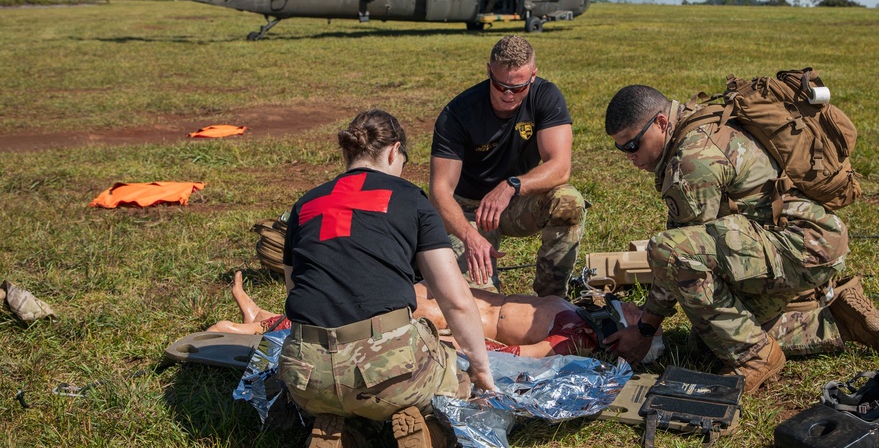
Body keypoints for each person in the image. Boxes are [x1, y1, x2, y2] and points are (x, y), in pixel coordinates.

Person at [602, 85, 879, 393]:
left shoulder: (692, 160)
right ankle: (836, 322)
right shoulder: (701, 121)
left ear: (660, 122)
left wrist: (645, 329)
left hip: (800, 249)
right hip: (804, 240)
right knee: (707, 343)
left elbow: (677, 255)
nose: (630, 157)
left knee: (668, 252)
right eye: (620, 149)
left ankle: (757, 357)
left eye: (632, 145)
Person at [277, 110, 495, 448]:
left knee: (338, 391)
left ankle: (340, 430)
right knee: (456, 378)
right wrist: (480, 371)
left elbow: (296, 297)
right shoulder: (411, 199)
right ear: (394, 151)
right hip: (389, 376)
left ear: (347, 152)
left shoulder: (304, 205)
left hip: (306, 377)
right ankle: (432, 433)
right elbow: (455, 300)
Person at [430, 35, 586, 298]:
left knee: (568, 201)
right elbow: (439, 192)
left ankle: (551, 300)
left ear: (533, 76)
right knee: (478, 301)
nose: (508, 95)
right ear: (488, 71)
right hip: (468, 211)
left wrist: (513, 186)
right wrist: (469, 236)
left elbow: (560, 167)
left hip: (516, 202)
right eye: (499, 85)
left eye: (519, 87)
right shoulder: (458, 112)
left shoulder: (546, 96)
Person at [210, 273, 665, 363]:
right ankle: (265, 316)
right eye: (645, 310)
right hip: (447, 295)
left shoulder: (580, 335)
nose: (644, 310)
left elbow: (521, 352)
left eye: (643, 316)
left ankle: (255, 325)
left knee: (358, 312)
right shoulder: (584, 312)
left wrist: (456, 347)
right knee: (356, 291)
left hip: (446, 316)